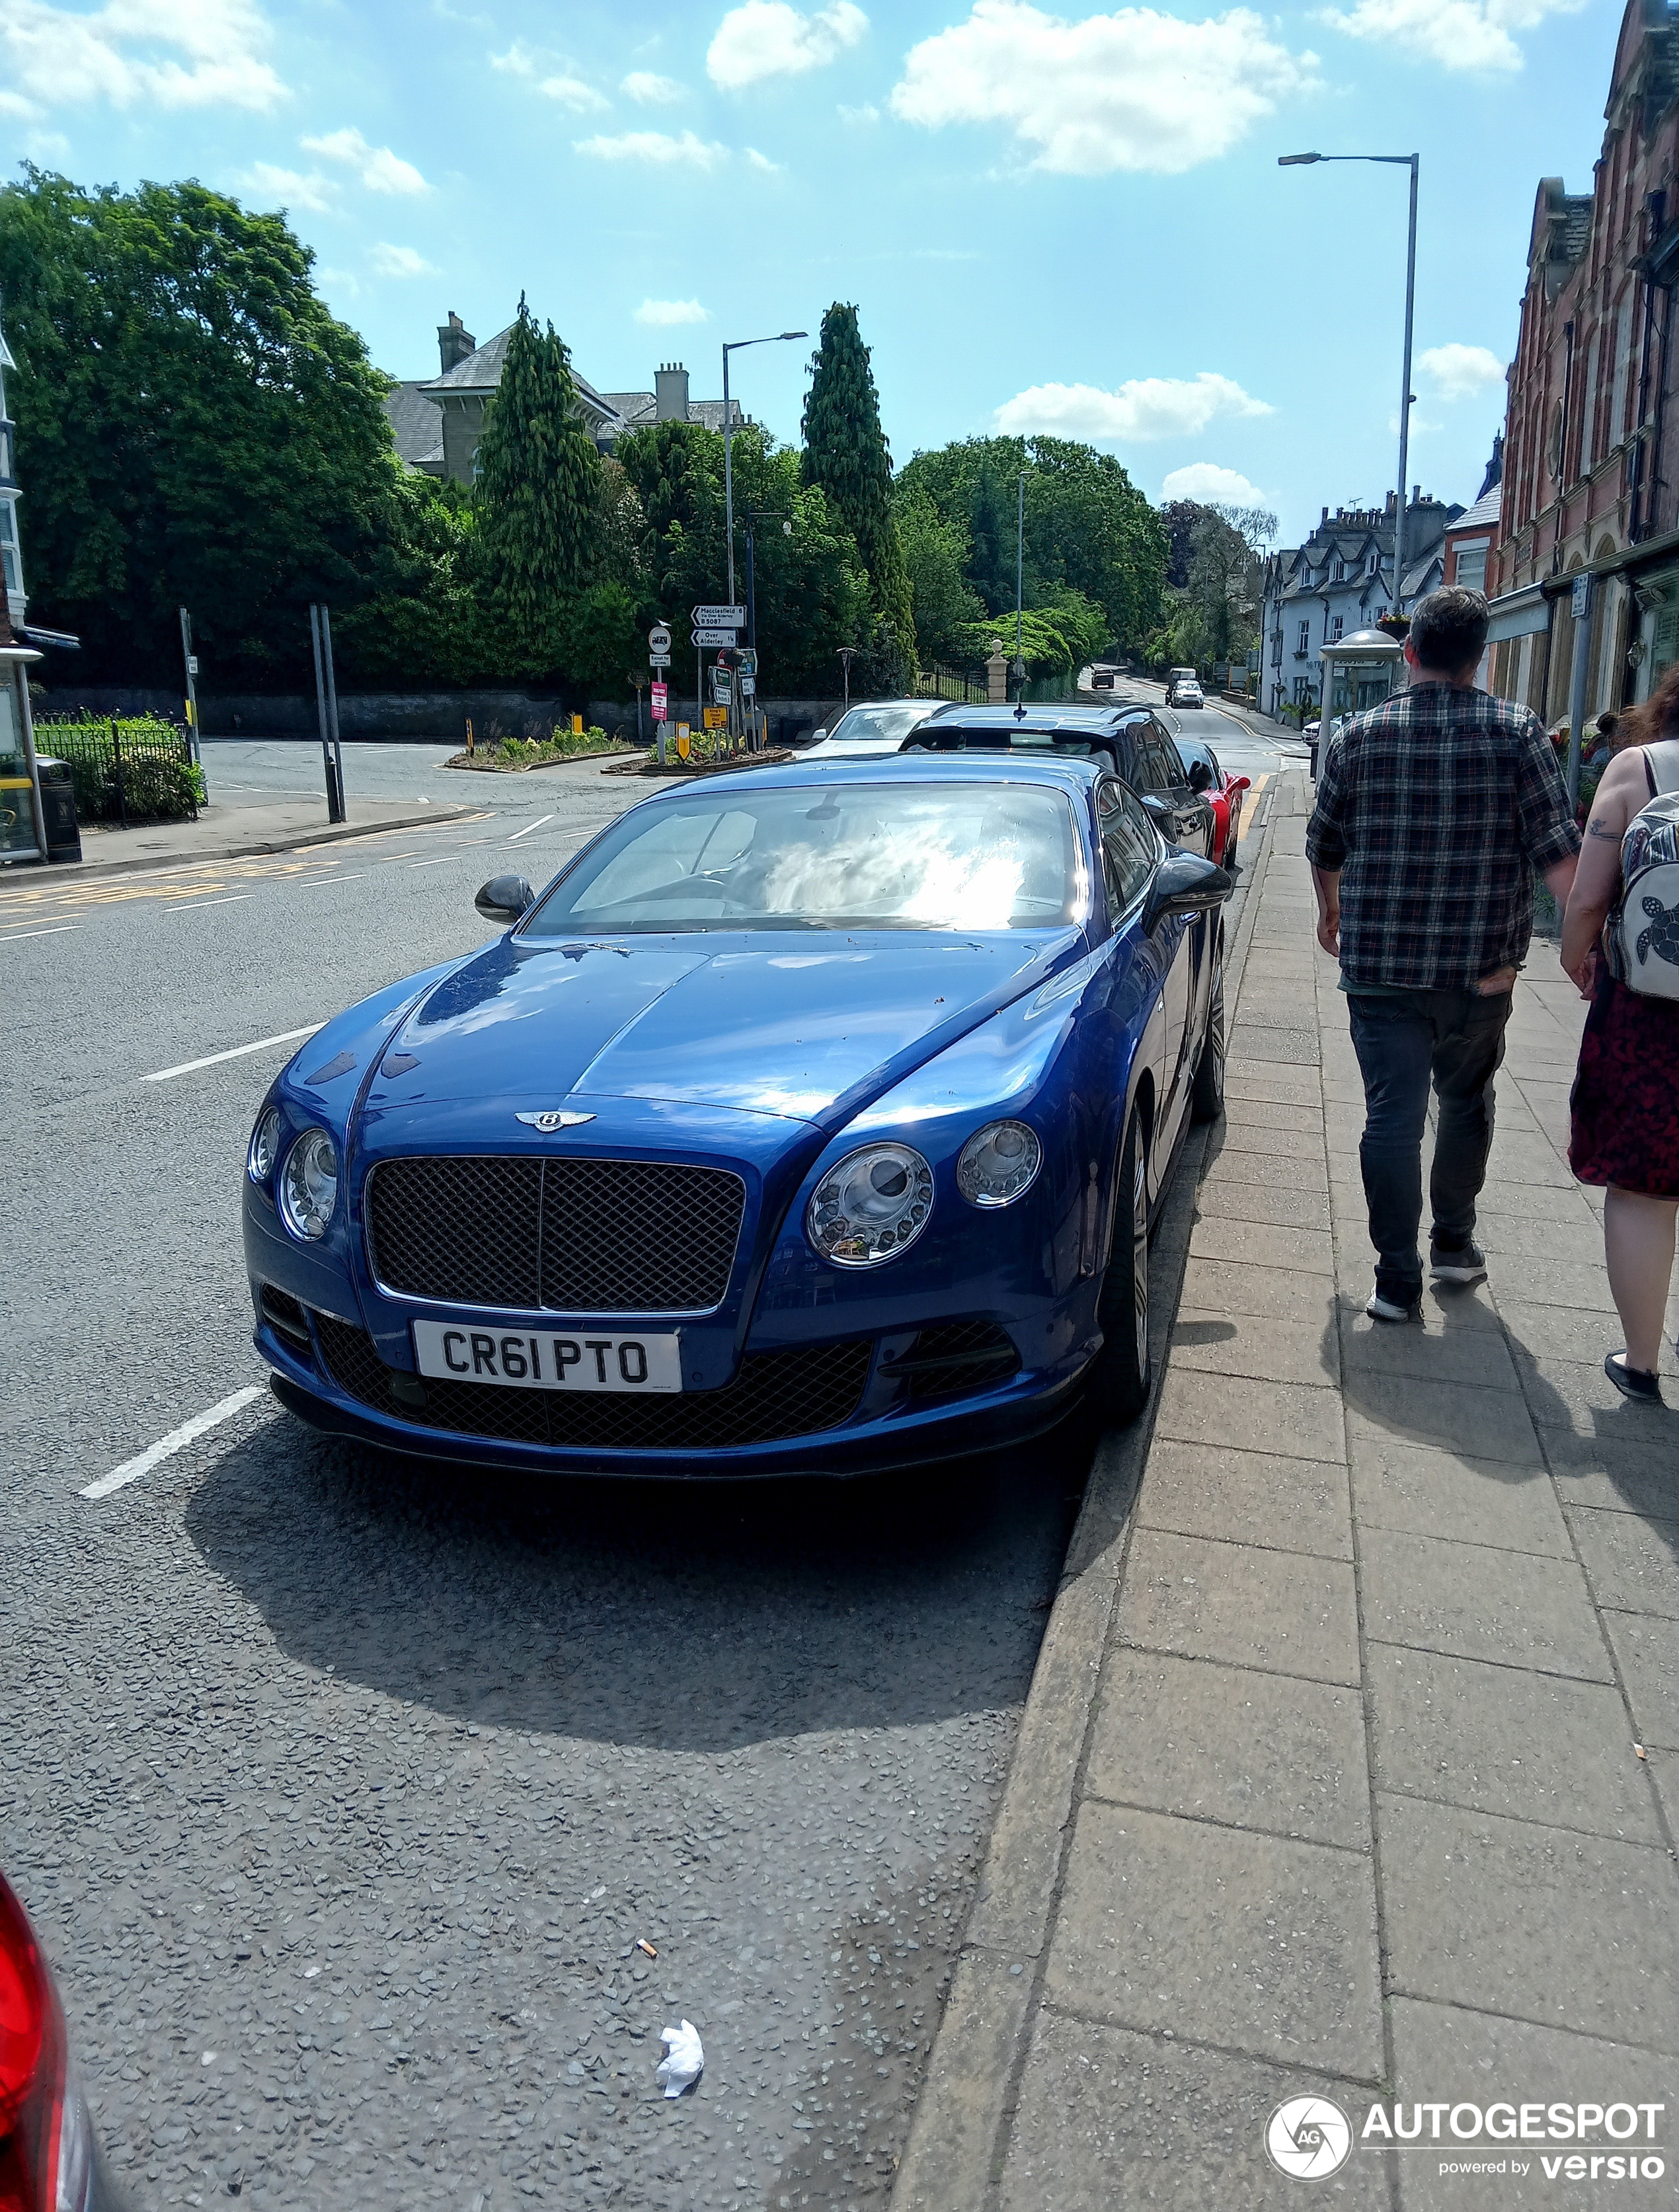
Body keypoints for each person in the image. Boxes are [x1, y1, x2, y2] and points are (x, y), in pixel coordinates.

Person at [1307, 587, 1582, 1320]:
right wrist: (1589, 946)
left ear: (1409, 653)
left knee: (1391, 1118)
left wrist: (1328, 908)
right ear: (1477, 659)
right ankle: (1452, 1247)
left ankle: (1394, 1282)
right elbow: (1560, 862)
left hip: (1379, 972)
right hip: (1480, 975)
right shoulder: (1517, 732)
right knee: (1466, 1102)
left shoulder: (1358, 737)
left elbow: (1323, 842)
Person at [1562, 664, 1679, 1403]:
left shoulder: (1639, 767)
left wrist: (1577, 961)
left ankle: (1640, 1362)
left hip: (1651, 1014)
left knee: (1643, 1192)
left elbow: (1585, 897)